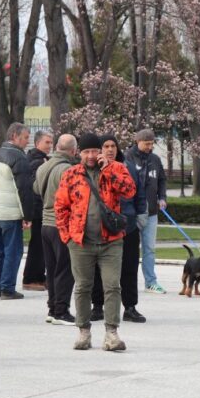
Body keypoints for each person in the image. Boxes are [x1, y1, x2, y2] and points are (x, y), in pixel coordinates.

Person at [54, 132, 136, 351]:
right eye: (86, 151)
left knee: (112, 286)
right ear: (78, 152)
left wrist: (108, 168)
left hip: (111, 241)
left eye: (94, 151)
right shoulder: (71, 174)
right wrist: (67, 236)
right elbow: (60, 207)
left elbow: (129, 191)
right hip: (81, 242)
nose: (91, 155)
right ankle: (83, 331)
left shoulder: (116, 168)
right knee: (82, 287)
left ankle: (111, 333)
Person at [91, 135, 147, 324]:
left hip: (128, 225)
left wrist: (140, 216)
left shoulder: (128, 166)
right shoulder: (94, 168)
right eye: (105, 146)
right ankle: (97, 306)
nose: (110, 150)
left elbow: (138, 192)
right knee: (98, 268)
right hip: (103, 226)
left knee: (129, 268)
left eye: (113, 146)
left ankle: (130, 307)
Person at [0, 123, 35, 299]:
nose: (28, 142)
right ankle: (7, 288)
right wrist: (27, 215)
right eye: (26, 137)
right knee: (13, 251)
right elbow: (24, 190)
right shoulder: (19, 158)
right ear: (14, 136)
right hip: (10, 213)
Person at [35, 134, 78, 325]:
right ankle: (61, 311)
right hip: (62, 224)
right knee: (64, 269)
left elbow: (36, 189)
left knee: (51, 269)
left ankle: (52, 309)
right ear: (73, 150)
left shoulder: (43, 166)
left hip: (45, 224)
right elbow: (74, 198)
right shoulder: (67, 169)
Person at [125, 129, 167, 294]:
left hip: (151, 213)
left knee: (149, 248)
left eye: (152, 143)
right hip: (132, 213)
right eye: (146, 143)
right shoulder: (127, 158)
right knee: (130, 250)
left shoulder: (155, 159)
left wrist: (162, 196)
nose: (150, 147)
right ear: (137, 141)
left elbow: (162, 179)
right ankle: (127, 281)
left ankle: (150, 282)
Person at [23, 129, 54, 291]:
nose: (50, 145)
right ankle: (31, 277)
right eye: (47, 142)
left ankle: (38, 276)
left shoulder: (42, 159)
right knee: (37, 245)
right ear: (37, 143)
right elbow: (35, 188)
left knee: (41, 245)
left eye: (51, 142)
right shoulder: (36, 161)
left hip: (40, 208)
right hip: (38, 209)